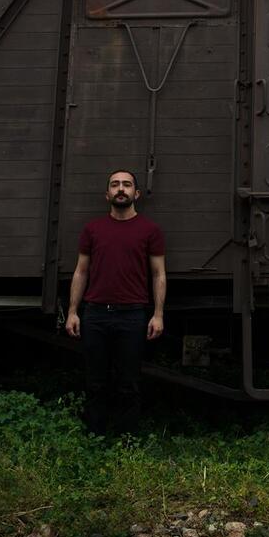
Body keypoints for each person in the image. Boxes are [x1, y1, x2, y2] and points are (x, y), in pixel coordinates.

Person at [65, 170, 166, 435]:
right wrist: (73, 311)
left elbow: (159, 274)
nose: (121, 189)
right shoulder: (92, 229)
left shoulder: (150, 230)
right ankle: (95, 437)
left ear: (136, 193)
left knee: (128, 383)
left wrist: (158, 314)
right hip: (95, 314)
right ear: (107, 194)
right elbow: (81, 271)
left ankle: (127, 441)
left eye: (127, 185)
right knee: (95, 382)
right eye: (115, 185)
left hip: (132, 315)